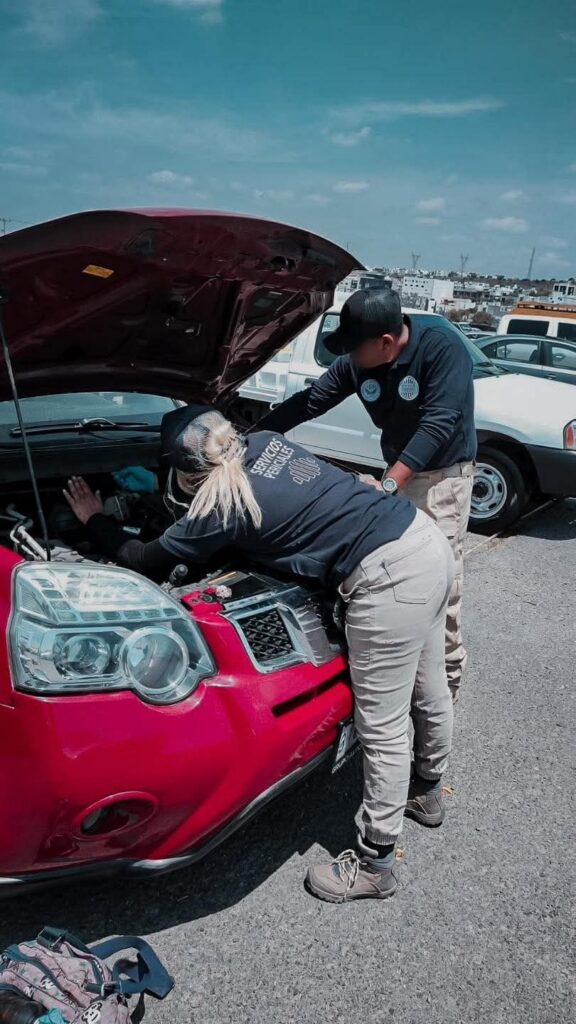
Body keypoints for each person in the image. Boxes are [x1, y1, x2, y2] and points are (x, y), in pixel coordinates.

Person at [64, 406, 455, 903]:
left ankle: (377, 862)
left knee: (382, 723)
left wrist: (95, 519)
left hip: (388, 578)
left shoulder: (219, 508)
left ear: (185, 471)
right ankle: (426, 790)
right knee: (430, 683)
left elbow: (143, 559)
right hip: (421, 537)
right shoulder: (267, 441)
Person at [257, 289, 476, 702]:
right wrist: (250, 437)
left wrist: (389, 484)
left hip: (441, 482)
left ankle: (445, 690)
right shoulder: (358, 363)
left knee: (441, 587)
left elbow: (437, 425)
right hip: (397, 474)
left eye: (356, 350)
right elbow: (309, 403)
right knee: (392, 577)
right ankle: (398, 671)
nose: (350, 359)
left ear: (387, 344)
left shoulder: (442, 349)